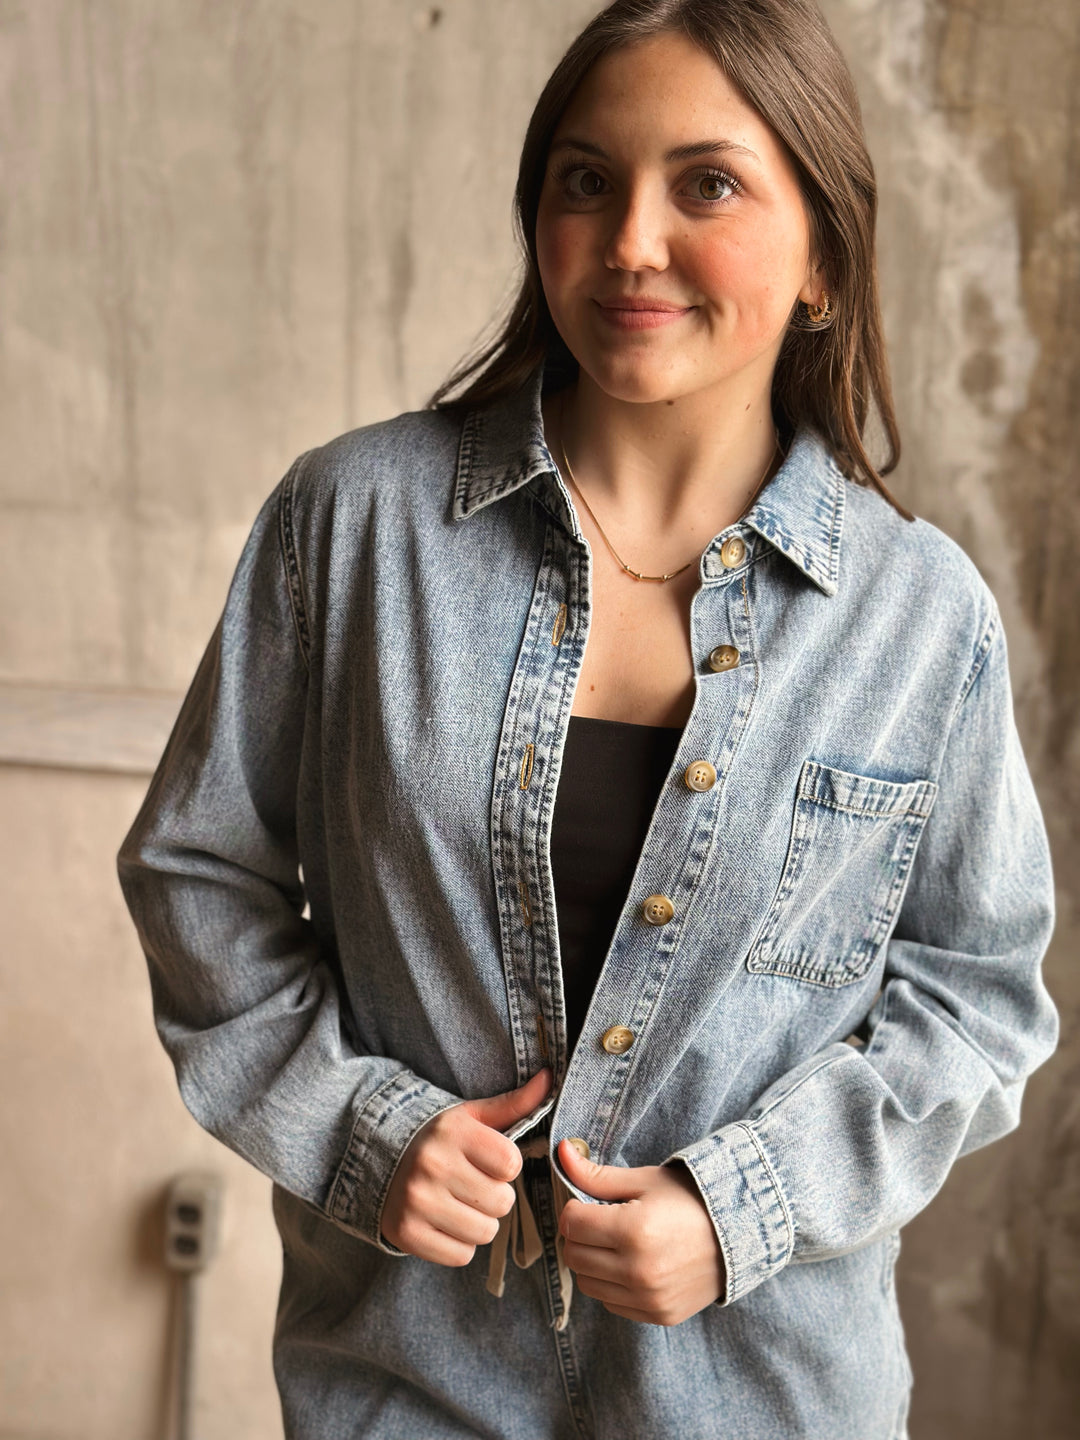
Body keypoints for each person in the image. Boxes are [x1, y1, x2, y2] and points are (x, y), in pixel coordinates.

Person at [117, 2, 1058, 1436]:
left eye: (707, 183)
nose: (630, 242)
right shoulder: (351, 526)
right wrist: (363, 1132)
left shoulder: (922, 617)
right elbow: (200, 875)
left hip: (769, 1402)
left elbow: (977, 1002)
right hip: (404, 1390)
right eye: (586, 180)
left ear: (822, 256)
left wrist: (746, 1206)